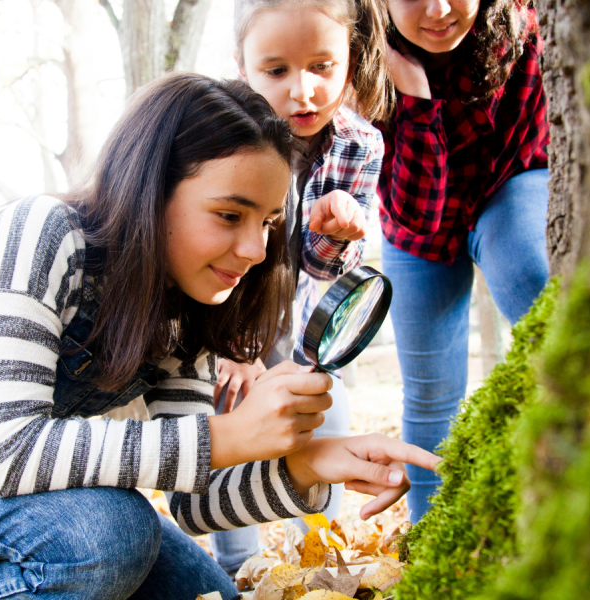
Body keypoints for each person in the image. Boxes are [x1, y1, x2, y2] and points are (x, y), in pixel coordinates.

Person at [0, 72, 439, 600]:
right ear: (151, 189)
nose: (257, 250)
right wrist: (228, 434)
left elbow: (194, 501)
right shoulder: (39, 232)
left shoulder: (190, 304)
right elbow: (12, 454)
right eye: (230, 216)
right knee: (108, 535)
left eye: (268, 223)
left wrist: (307, 466)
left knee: (204, 591)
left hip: (46, 499)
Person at [207, 0, 390, 575]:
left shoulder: (359, 145)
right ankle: (238, 568)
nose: (302, 91)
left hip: (306, 319)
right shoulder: (223, 139)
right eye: (277, 70)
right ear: (243, 68)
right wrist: (237, 347)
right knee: (232, 424)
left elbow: (321, 268)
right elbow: (215, 251)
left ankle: (321, 556)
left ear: (349, 62)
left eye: (321, 67)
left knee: (319, 419)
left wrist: (338, 231)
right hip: (231, 311)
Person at [375, 0, 550, 522]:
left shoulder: (520, 28)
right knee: (430, 397)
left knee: (527, 270)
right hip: (417, 231)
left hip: (509, 182)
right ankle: (431, 536)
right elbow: (418, 216)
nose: (438, 9)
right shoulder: (361, 58)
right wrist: (413, 94)